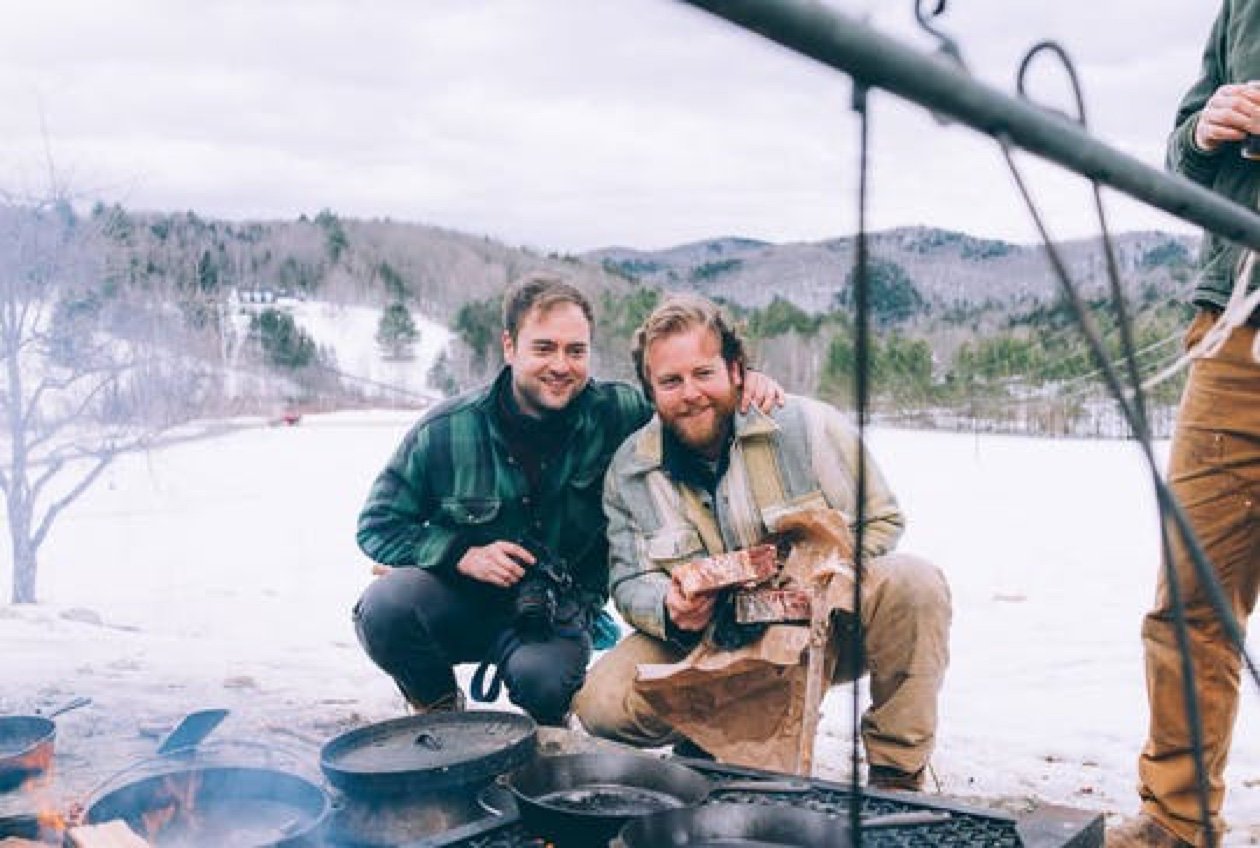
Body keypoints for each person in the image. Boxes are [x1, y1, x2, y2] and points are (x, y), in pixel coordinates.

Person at [352, 272, 783, 726]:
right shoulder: (446, 431)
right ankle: (437, 708)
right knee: (385, 607)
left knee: (544, 681)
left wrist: (739, 382)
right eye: (544, 348)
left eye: (575, 351)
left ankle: (548, 729)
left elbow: (685, 401)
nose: (561, 365)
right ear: (509, 346)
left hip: (556, 610)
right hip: (458, 599)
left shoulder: (620, 414)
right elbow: (377, 525)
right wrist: (460, 553)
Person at [573, 293, 951, 788]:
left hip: (824, 630)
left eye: (703, 373)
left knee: (915, 583)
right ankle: (707, 736)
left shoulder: (807, 426)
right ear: (650, 390)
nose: (690, 393)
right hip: (712, 641)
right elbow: (630, 577)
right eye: (671, 381)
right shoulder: (630, 470)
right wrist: (669, 607)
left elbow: (880, 520)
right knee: (601, 703)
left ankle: (896, 772)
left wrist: (817, 579)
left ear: (735, 369)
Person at [1109, 3, 1260, 845]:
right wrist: (1205, 129)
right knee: (1191, 600)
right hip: (1233, 332)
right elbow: (1179, 160)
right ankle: (1175, 819)